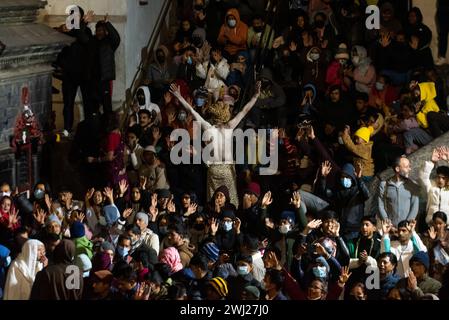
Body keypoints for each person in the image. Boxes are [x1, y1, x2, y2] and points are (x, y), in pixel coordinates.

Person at [169, 81, 261, 208]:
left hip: (213, 170)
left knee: (214, 201)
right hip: (227, 170)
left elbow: (192, 111)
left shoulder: (208, 127)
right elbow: (245, 110)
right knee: (230, 201)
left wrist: (179, 96)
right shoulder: (229, 126)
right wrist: (255, 96)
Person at [90, 16, 121, 115]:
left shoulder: (110, 42)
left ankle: (108, 127)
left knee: (107, 106)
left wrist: (107, 23)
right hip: (93, 80)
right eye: (97, 30)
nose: (99, 32)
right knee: (94, 107)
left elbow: (116, 37)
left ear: (105, 31)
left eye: (101, 30)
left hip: (105, 80)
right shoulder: (92, 41)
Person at [378, 156, 420, 227]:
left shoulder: (412, 185)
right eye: (406, 167)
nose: (409, 169)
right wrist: (387, 221)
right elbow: (380, 205)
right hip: (390, 228)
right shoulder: (384, 185)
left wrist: (407, 224)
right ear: (397, 169)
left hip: (406, 228)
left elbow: (415, 206)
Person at [419, 148, 449, 225]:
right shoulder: (431, 187)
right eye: (439, 177)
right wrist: (431, 162)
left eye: (443, 178)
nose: (440, 180)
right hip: (431, 223)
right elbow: (423, 177)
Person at [435, 0, 449, 66]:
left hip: (442, 9)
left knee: (442, 35)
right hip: (442, 10)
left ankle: (442, 57)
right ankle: (442, 56)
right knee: (442, 35)